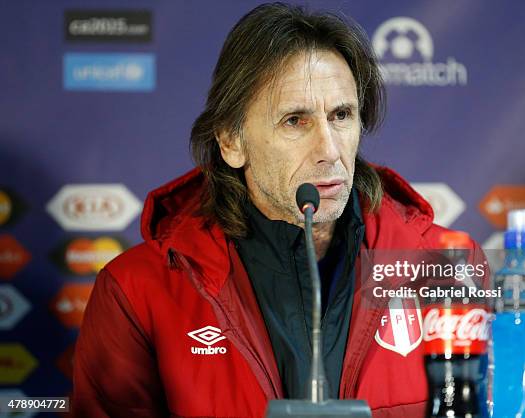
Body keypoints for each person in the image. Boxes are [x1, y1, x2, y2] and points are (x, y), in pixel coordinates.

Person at [72, 3, 482, 417]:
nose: (329, 151)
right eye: (294, 121)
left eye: (341, 115)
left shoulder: (444, 268)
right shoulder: (136, 290)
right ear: (231, 141)